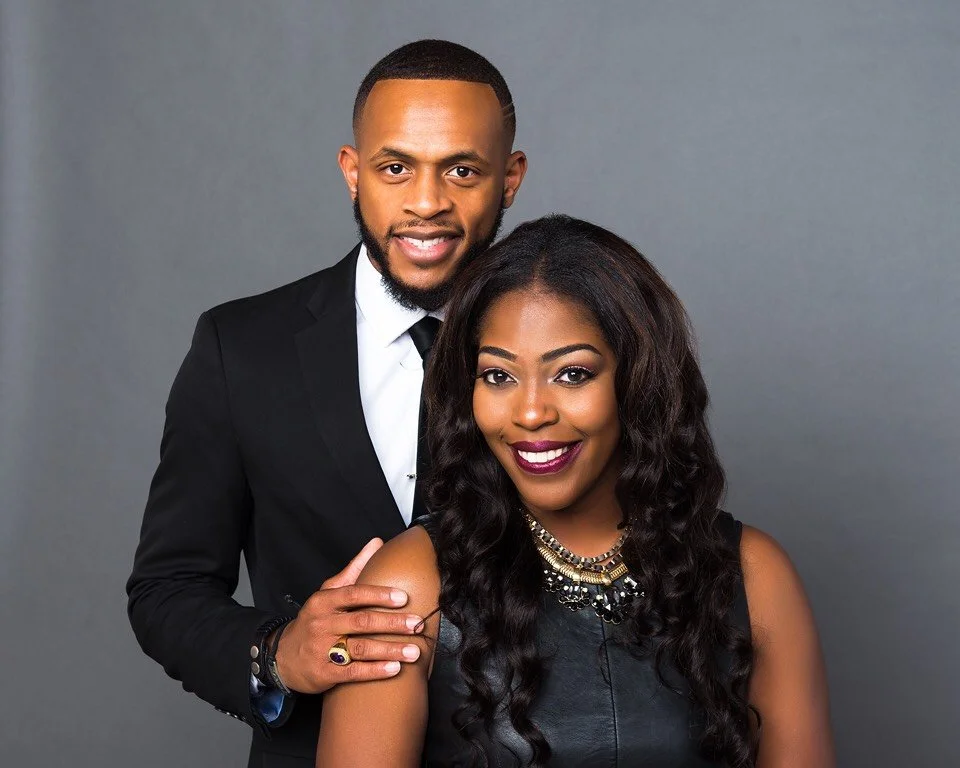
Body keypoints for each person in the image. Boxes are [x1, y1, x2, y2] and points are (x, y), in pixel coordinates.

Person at [126, 40, 527, 766]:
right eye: (395, 167)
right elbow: (167, 588)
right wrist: (276, 653)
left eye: (462, 169)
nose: (427, 202)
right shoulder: (242, 349)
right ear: (352, 172)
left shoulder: (576, 353)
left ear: (511, 178)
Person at [316, 215, 836, 767]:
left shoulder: (752, 574)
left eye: (572, 374)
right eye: (498, 376)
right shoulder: (410, 586)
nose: (531, 412)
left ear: (638, 383)